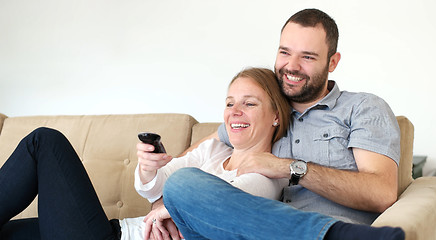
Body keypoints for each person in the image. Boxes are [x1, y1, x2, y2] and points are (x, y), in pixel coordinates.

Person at [150, 8, 403, 240]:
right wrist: (166, 202)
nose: (291, 66)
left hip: (333, 224)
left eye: (308, 57)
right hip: (244, 233)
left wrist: (288, 168)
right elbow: (189, 159)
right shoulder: (263, 112)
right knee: (182, 183)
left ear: (333, 62)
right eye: (284, 52)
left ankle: (333, 234)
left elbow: (381, 193)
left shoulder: (362, 108)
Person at [0, 68, 288, 239]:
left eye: (249, 104)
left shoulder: (266, 176)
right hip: (116, 229)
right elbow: (158, 183)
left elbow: (220, 207)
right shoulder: (214, 149)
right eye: (229, 103)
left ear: (276, 114)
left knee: (44, 142)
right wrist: (150, 168)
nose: (235, 112)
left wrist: (168, 206)